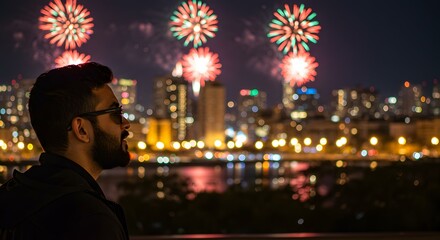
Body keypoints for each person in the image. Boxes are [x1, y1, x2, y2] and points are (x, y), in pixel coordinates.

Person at [0, 62, 131, 239]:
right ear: (82, 129)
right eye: (115, 112)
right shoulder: (91, 221)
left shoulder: (12, 197)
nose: (125, 123)